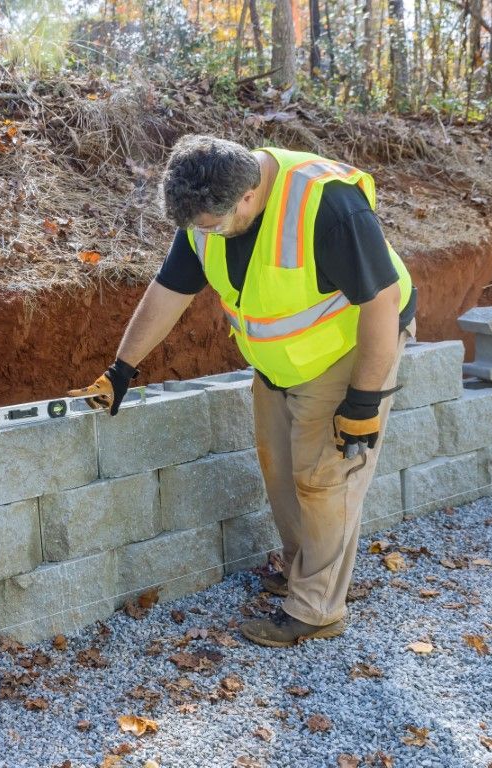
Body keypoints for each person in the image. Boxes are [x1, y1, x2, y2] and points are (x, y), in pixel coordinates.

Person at [69, 135, 417, 648]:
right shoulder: (206, 209)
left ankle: (317, 609)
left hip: (349, 349)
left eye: (210, 226)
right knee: (280, 469)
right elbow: (169, 290)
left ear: (249, 196)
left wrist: (364, 401)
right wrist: (123, 369)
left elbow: (382, 303)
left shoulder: (328, 205)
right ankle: (307, 572)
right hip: (279, 362)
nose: (201, 235)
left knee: (325, 479)